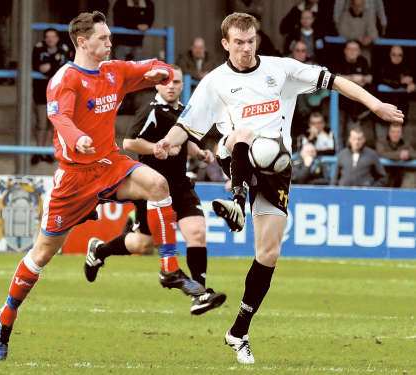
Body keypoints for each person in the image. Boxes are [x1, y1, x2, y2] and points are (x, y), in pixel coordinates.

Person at [153, 12, 403, 364]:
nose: (245, 48)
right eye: (238, 42)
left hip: (276, 169)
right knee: (244, 135)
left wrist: (375, 104)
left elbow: (335, 81)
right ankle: (236, 197)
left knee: (268, 254)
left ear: (257, 40)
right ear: (225, 44)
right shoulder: (215, 82)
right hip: (236, 155)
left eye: (250, 41)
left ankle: (239, 330)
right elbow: (188, 125)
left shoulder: (280, 69)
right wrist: (166, 142)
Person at [0, 11, 206, 362]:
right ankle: (6, 318)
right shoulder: (65, 79)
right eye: (102, 38)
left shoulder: (113, 72)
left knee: (157, 184)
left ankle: (169, 269)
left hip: (109, 164)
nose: (109, 42)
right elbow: (60, 117)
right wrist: (77, 138)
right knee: (42, 253)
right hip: (74, 177)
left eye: (108, 37)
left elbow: (146, 65)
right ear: (82, 41)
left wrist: (163, 71)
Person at [83, 65, 226, 315]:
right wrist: (155, 149)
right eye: (167, 81)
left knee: (197, 232)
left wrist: (199, 152)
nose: (171, 86)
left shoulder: (184, 112)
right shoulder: (150, 110)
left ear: (183, 86)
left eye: (177, 82)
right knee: (142, 244)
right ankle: (100, 250)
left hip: (180, 184)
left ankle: (199, 293)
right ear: (158, 84)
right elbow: (129, 141)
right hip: (151, 188)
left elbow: (185, 139)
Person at [31, 28, 70, 165]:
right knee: (41, 123)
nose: (50, 39)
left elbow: (64, 69)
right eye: (47, 36)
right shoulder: (38, 48)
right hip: (41, 91)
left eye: (53, 36)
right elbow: (37, 66)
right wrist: (54, 66)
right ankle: (38, 151)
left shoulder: (64, 48)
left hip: (58, 92)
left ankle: (46, 152)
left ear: (57, 38)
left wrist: (50, 67)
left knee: (51, 124)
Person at [376, 123, 416, 188]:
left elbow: (414, 154)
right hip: (384, 175)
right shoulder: (381, 142)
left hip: (400, 175)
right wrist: (399, 155)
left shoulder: (405, 143)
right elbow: (381, 153)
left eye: (398, 132)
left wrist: (408, 155)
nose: (395, 134)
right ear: (389, 133)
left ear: (401, 134)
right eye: (393, 132)